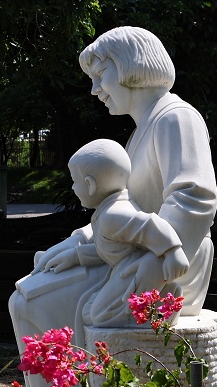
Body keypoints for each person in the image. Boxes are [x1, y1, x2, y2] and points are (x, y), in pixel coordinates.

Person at [8, 26, 217, 387]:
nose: (95, 90)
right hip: (135, 259)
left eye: (100, 75)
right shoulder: (143, 130)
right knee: (27, 296)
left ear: (128, 68)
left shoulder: (177, 119)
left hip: (164, 270)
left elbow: (194, 198)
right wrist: (73, 246)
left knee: (29, 303)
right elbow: (122, 214)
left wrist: (156, 264)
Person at [63, 138, 189, 332]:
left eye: (75, 181)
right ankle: (162, 298)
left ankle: (164, 306)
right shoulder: (109, 210)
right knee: (90, 312)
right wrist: (76, 255)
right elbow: (111, 248)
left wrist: (173, 251)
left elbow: (150, 224)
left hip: (142, 270)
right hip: (127, 266)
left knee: (99, 315)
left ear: (90, 185)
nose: (72, 188)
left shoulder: (113, 215)